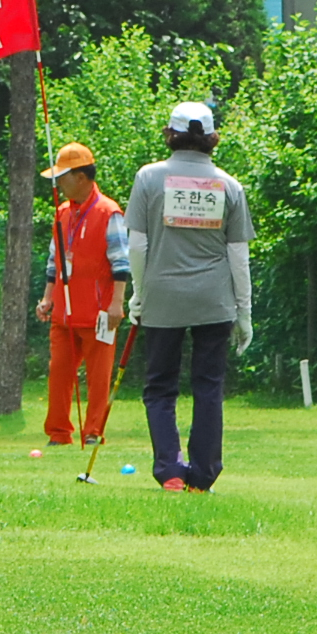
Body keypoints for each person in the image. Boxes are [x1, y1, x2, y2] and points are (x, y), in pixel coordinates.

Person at [123, 101, 253, 492]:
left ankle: (170, 471)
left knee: (160, 386)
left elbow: (138, 247)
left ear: (170, 134)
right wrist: (244, 312)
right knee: (208, 386)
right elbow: (238, 256)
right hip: (214, 301)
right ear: (212, 138)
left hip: (163, 297)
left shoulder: (148, 179)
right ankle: (203, 475)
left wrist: (139, 295)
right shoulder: (230, 186)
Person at [33, 140, 127, 448]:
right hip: (64, 312)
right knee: (59, 373)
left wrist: (116, 305)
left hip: (100, 313)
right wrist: (48, 297)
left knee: (99, 379)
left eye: (63, 177)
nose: (58, 184)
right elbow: (54, 260)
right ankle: (58, 434)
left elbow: (121, 262)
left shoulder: (109, 212)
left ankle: (93, 432)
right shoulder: (62, 213)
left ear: (81, 177)